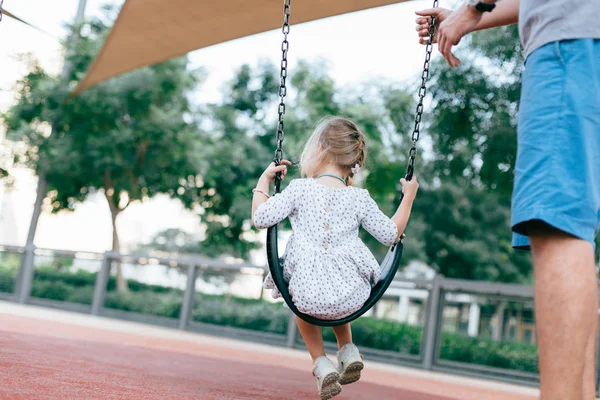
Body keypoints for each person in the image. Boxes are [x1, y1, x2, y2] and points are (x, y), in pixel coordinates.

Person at [415, 1, 600, 399]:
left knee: (556, 224)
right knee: (576, 228)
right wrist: (469, 18)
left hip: (570, 39)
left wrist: (474, 6)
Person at [251, 116, 419, 400]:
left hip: (305, 296)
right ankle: (348, 348)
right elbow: (391, 234)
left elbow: (261, 218)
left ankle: (321, 363)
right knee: (339, 282)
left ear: (319, 150)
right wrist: (409, 197)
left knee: (300, 304)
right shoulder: (359, 198)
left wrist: (263, 182)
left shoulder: (300, 189)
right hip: (351, 298)